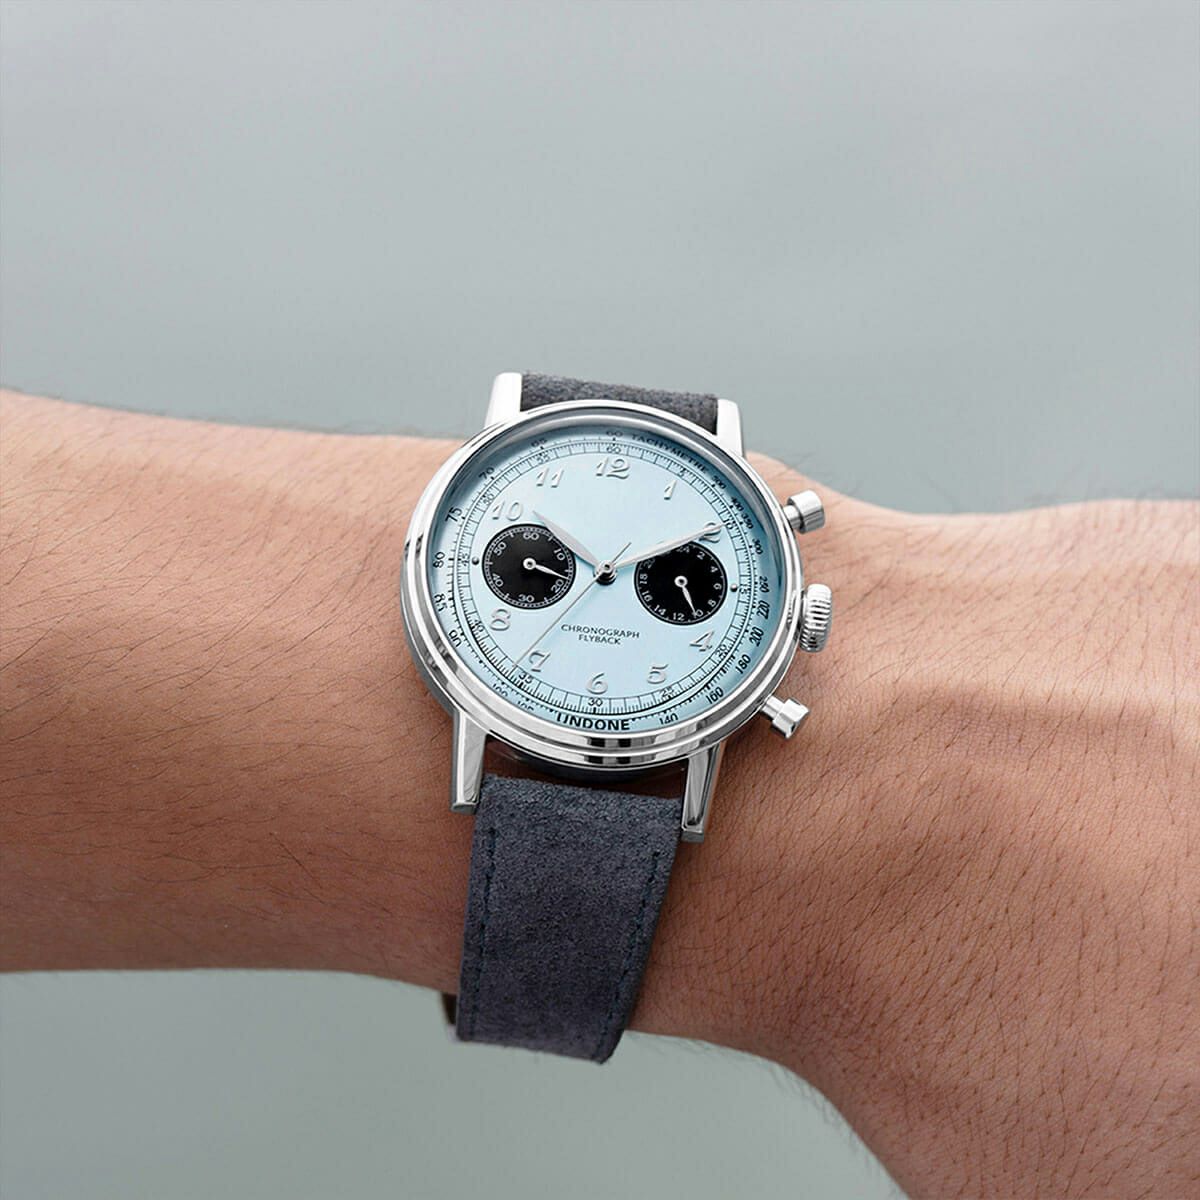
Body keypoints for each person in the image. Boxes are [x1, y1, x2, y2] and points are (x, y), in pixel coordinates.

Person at [2, 389, 1196, 1198]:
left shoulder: (752, 647)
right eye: (561, 567)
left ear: (801, 619)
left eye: (663, 579)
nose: (613, 580)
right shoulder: (481, 639)